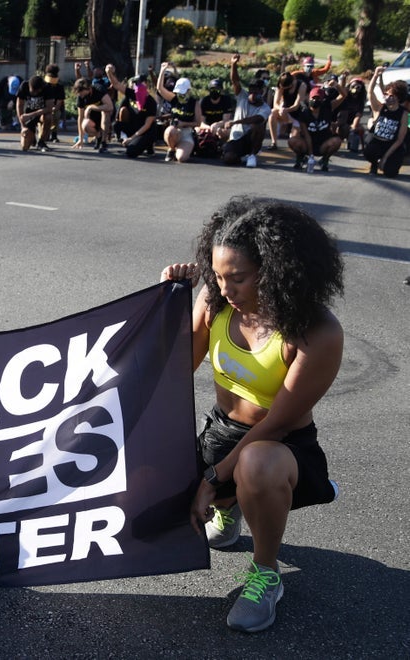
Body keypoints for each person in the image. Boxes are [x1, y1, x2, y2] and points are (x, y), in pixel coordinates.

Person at [161, 195, 343, 633]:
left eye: (238, 279)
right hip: (220, 434)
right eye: (218, 277)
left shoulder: (317, 332)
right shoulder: (217, 300)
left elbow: (276, 424)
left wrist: (209, 479)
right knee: (149, 497)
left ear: (278, 271)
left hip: (279, 447)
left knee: (254, 465)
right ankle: (230, 505)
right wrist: (169, 300)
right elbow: (173, 369)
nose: (225, 290)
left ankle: (265, 572)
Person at [215, 54, 270, 168]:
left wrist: (235, 122)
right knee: (228, 159)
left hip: (251, 139)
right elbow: (235, 81)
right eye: (251, 91)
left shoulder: (265, 108)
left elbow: (256, 119)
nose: (252, 94)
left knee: (257, 126)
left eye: (256, 92)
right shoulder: (242, 96)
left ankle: (252, 155)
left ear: (261, 92)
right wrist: (233, 65)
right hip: (237, 137)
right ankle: (240, 156)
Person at [363, 68, 408, 178]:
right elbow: (370, 92)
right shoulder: (379, 108)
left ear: (398, 97)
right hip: (377, 143)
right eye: (386, 94)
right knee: (369, 151)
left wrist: (385, 158)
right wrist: (376, 75)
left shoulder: (403, 114)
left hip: (392, 145)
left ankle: (388, 163)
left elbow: (400, 140)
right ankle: (374, 164)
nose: (388, 97)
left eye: (391, 95)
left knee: (390, 173)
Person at [287, 85, 342, 172]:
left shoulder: (327, 108)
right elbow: (306, 134)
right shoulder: (304, 112)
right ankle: (301, 158)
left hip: (323, 143)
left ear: (322, 100)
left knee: (337, 141)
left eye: (318, 98)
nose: (315, 100)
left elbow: (343, 95)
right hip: (307, 143)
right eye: (313, 98)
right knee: (292, 141)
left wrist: (337, 84)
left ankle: (324, 160)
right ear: (309, 99)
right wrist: (311, 155)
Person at [156, 67, 204, 163]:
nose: (180, 95)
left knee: (181, 158)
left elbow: (198, 123)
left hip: (187, 133)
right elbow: (160, 89)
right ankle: (171, 149)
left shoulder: (194, 103)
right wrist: (162, 70)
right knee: (170, 131)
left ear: (188, 91)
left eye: (183, 93)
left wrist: (183, 123)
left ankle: (183, 149)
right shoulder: (174, 98)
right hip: (174, 131)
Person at [113, 75, 158, 158]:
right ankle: (127, 142)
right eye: (136, 83)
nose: (137, 85)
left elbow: (147, 125)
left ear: (146, 84)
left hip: (145, 131)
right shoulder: (132, 94)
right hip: (134, 127)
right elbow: (116, 85)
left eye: (140, 83)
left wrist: (131, 138)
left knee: (131, 152)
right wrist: (109, 72)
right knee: (116, 125)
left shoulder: (151, 102)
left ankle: (148, 145)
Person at [70, 77, 113, 152]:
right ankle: (98, 136)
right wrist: (81, 138)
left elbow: (110, 106)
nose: (81, 95)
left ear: (89, 88)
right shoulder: (81, 97)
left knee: (105, 112)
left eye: (82, 92)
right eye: (79, 93)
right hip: (92, 118)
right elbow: (81, 117)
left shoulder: (99, 90)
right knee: (85, 125)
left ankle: (103, 142)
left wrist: (91, 107)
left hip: (105, 114)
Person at [267, 71, 308, 150]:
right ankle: (274, 142)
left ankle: (296, 133)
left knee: (293, 141)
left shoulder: (302, 85)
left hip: (297, 114)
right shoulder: (280, 86)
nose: (284, 90)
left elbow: (296, 106)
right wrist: (281, 109)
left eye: (286, 88)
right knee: (272, 113)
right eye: (282, 88)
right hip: (284, 112)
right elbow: (276, 103)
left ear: (291, 83)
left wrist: (286, 110)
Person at [14, 74, 55, 152]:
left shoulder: (47, 87)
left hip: (41, 114)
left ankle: (42, 142)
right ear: (29, 86)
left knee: (48, 117)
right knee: (24, 147)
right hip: (28, 114)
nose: (34, 93)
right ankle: (32, 138)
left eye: (37, 92)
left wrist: (32, 115)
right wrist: (23, 126)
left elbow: (49, 108)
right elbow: (19, 105)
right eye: (33, 91)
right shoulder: (24, 85)